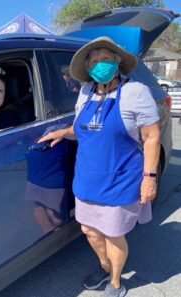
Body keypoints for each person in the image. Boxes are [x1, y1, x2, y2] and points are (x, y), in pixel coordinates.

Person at [38, 36, 160, 297]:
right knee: (89, 230)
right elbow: (82, 128)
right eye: (93, 60)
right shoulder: (85, 92)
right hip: (87, 178)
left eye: (105, 59)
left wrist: (149, 177)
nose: (99, 64)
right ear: (87, 67)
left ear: (117, 61)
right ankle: (105, 266)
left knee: (114, 234)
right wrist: (61, 132)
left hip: (120, 178)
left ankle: (115, 282)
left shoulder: (135, 92)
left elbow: (151, 137)